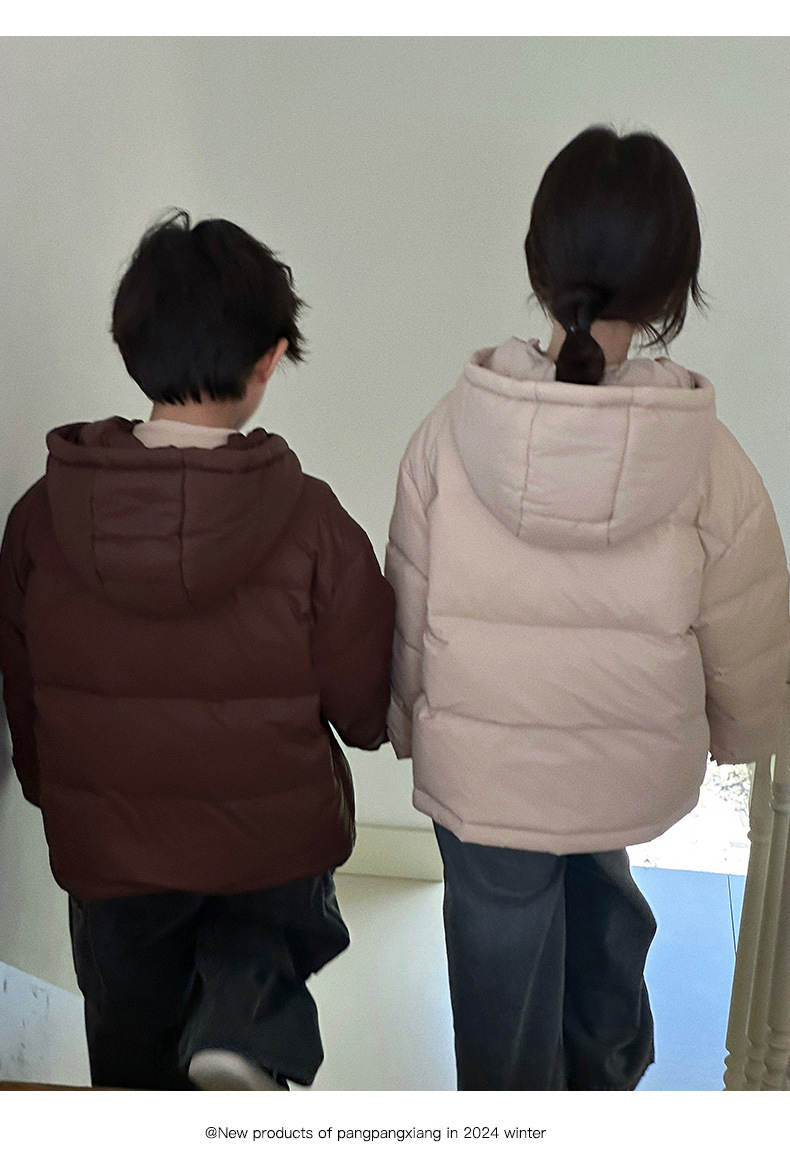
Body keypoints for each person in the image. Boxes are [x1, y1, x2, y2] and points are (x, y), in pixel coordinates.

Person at [385, 126, 790, 1091]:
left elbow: (410, 607)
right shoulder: (709, 458)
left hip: (485, 779)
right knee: (597, 875)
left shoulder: (448, 433)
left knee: (500, 945)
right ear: (672, 294)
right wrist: (744, 735)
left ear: (539, 263)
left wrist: (406, 721)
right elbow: (749, 625)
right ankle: (602, 1074)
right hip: (620, 767)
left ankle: (515, 1117)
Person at [0, 211, 395, 1091]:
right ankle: (243, 1026)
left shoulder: (40, 518)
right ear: (269, 361)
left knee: (128, 1036)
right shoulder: (312, 520)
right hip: (267, 850)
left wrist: (49, 785)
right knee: (279, 921)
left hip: (111, 853)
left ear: (130, 345)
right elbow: (365, 705)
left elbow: (23, 687)